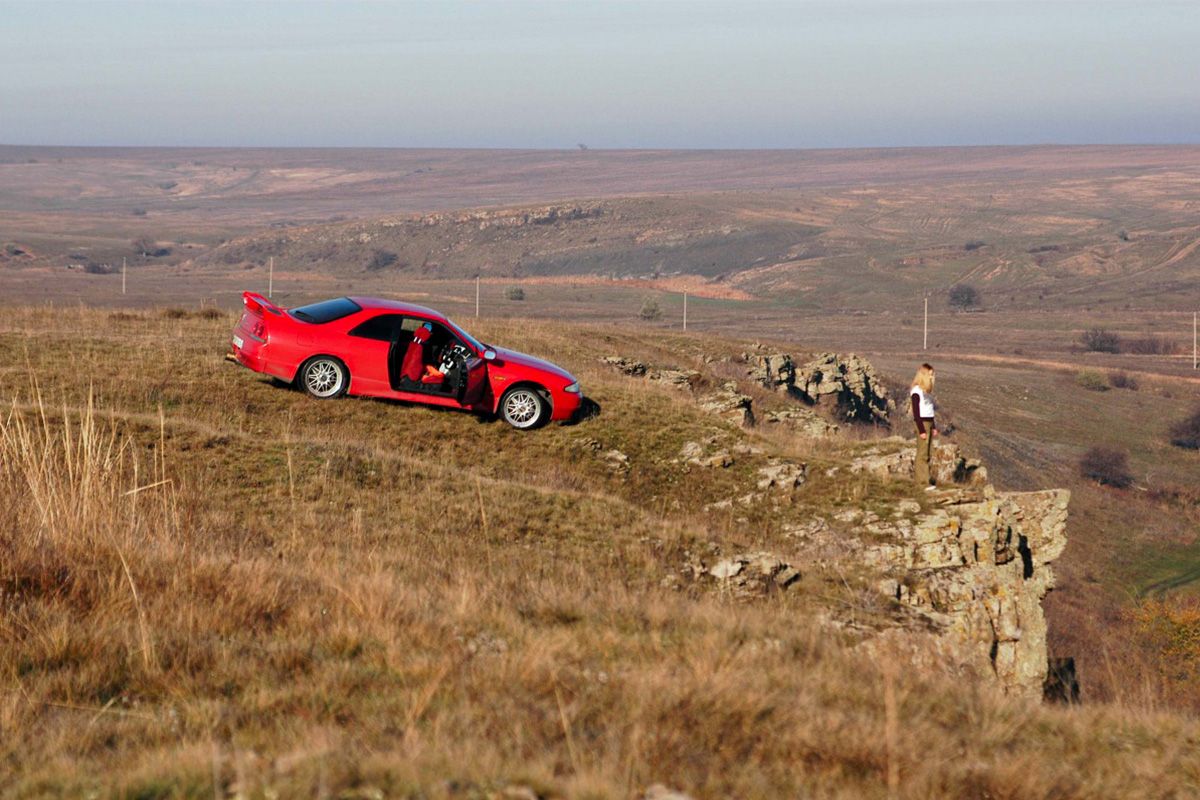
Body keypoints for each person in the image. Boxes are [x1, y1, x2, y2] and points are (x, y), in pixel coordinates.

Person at [910, 363, 937, 489]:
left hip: (929, 423)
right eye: (930, 375)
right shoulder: (916, 392)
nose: (932, 378)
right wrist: (921, 429)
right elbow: (916, 412)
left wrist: (934, 427)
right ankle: (921, 483)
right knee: (922, 453)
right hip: (922, 424)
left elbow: (930, 410)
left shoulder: (927, 392)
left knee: (928, 452)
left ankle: (925, 479)